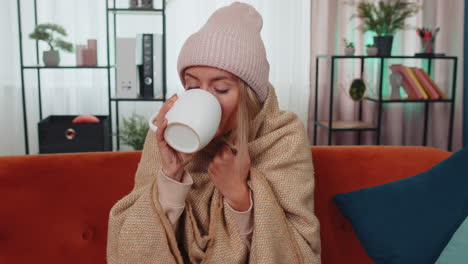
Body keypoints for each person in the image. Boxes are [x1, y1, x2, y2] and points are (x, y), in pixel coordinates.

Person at [107, 2, 321, 263]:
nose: (203, 99)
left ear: (249, 97)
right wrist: (171, 175)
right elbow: (132, 245)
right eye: (192, 87)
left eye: (220, 89)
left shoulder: (282, 136)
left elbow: (299, 247)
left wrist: (238, 194)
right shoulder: (168, 136)